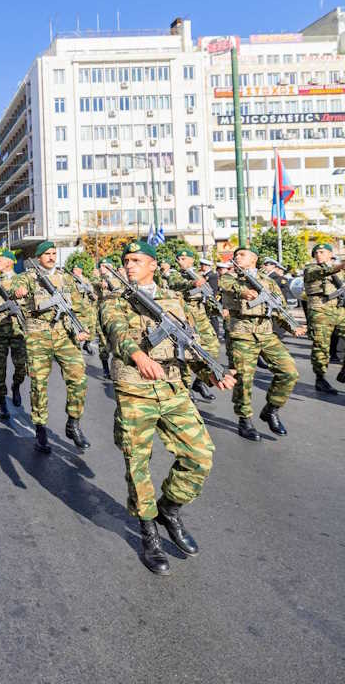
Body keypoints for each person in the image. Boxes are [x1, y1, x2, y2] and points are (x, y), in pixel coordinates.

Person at [102, 240, 236, 574]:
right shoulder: (114, 299)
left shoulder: (175, 300)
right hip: (135, 390)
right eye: (126, 260)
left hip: (174, 389)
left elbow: (191, 344)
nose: (129, 265)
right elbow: (115, 331)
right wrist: (138, 356)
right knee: (138, 463)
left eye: (136, 260)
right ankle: (148, 532)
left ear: (153, 265)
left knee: (200, 455)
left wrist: (211, 372)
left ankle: (169, 507)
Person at [218, 246, 307, 441]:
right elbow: (225, 285)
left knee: (289, 372)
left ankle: (271, 409)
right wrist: (243, 292)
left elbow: (279, 309)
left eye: (242, 255)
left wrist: (293, 327)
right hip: (242, 334)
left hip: (266, 334)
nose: (237, 257)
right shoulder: (229, 278)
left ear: (254, 259)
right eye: (235, 255)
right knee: (244, 378)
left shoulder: (269, 282)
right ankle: (245, 419)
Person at [12, 241, 93, 452]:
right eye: (46, 253)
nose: (51, 256)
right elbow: (14, 287)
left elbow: (81, 307)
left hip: (65, 334)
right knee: (38, 384)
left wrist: (85, 329)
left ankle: (73, 422)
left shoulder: (66, 278)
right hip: (38, 336)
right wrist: (18, 291)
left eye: (53, 253)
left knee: (78, 378)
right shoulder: (29, 277)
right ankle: (40, 428)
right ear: (39, 257)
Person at [301, 243, 345, 395]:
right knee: (321, 347)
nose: (318, 255)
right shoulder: (311, 269)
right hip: (319, 311)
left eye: (322, 252)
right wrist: (339, 266)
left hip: (339, 311)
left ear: (331, 254)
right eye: (316, 252)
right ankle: (320, 378)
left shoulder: (342, 273)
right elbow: (324, 270)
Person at [166, 248, 222, 401]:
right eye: (180, 258)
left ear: (192, 260)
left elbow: (208, 294)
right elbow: (174, 284)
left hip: (201, 317)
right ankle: (187, 389)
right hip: (184, 318)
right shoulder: (174, 274)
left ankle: (200, 381)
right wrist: (192, 283)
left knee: (213, 350)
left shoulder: (198, 274)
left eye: (185, 259)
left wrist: (218, 309)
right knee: (187, 355)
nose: (182, 261)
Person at [0, 249, 26, 421]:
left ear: (9, 262)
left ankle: (16, 385)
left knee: (21, 367)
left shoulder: (22, 280)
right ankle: (2, 402)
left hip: (17, 330)